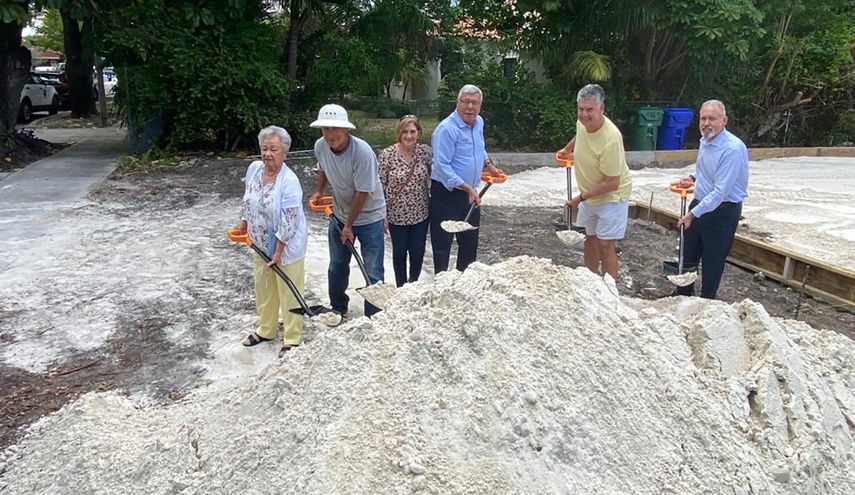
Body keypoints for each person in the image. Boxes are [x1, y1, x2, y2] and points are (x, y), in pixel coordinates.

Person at [234, 125, 308, 358]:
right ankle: (266, 330)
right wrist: (243, 224)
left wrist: (278, 252)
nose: (267, 154)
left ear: (284, 152)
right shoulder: (255, 169)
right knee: (264, 287)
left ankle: (292, 338)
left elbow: (290, 221)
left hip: (285, 246)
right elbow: (248, 200)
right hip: (258, 242)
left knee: (289, 290)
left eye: (273, 149)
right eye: (264, 148)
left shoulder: (289, 181)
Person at [309, 104, 386, 317]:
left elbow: (363, 193)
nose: (330, 134)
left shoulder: (361, 153)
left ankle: (374, 314)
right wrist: (319, 191)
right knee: (337, 265)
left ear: (346, 130)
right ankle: (338, 307)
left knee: (372, 268)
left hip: (370, 216)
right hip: (340, 212)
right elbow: (323, 168)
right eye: (325, 129)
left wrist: (348, 226)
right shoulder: (320, 146)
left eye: (335, 128)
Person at [556, 83, 632, 280]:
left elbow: (612, 183)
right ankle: (590, 283)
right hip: (590, 194)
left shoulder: (611, 138)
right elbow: (579, 134)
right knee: (589, 238)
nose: (584, 115)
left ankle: (610, 290)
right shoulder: (582, 123)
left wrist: (580, 198)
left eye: (589, 110)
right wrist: (567, 149)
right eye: (580, 109)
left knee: (606, 244)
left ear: (601, 108)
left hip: (611, 197)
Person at [675, 99, 749, 299]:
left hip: (722, 211)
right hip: (700, 204)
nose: (706, 123)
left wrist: (692, 214)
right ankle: (683, 296)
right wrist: (693, 179)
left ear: (724, 120)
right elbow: (707, 172)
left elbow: (720, 191)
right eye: (703, 118)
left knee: (712, 262)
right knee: (687, 255)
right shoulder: (705, 140)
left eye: (712, 119)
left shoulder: (732, 149)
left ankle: (706, 302)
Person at [430, 84, 503, 273]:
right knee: (442, 245)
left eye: (474, 103)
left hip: (470, 193)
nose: (470, 107)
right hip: (447, 194)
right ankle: (441, 285)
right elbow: (442, 166)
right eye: (466, 102)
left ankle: (464, 283)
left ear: (480, 105)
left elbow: (479, 148)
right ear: (457, 103)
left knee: (470, 243)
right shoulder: (446, 129)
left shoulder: (478, 122)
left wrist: (489, 165)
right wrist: (467, 188)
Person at [378, 115, 433, 287]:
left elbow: (435, 175)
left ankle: (414, 283)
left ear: (418, 133)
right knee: (399, 253)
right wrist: (382, 214)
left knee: (417, 252)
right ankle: (401, 286)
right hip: (397, 215)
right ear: (399, 133)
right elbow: (379, 185)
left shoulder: (424, 152)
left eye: (412, 131)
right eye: (405, 132)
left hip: (420, 214)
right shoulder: (387, 155)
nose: (409, 136)